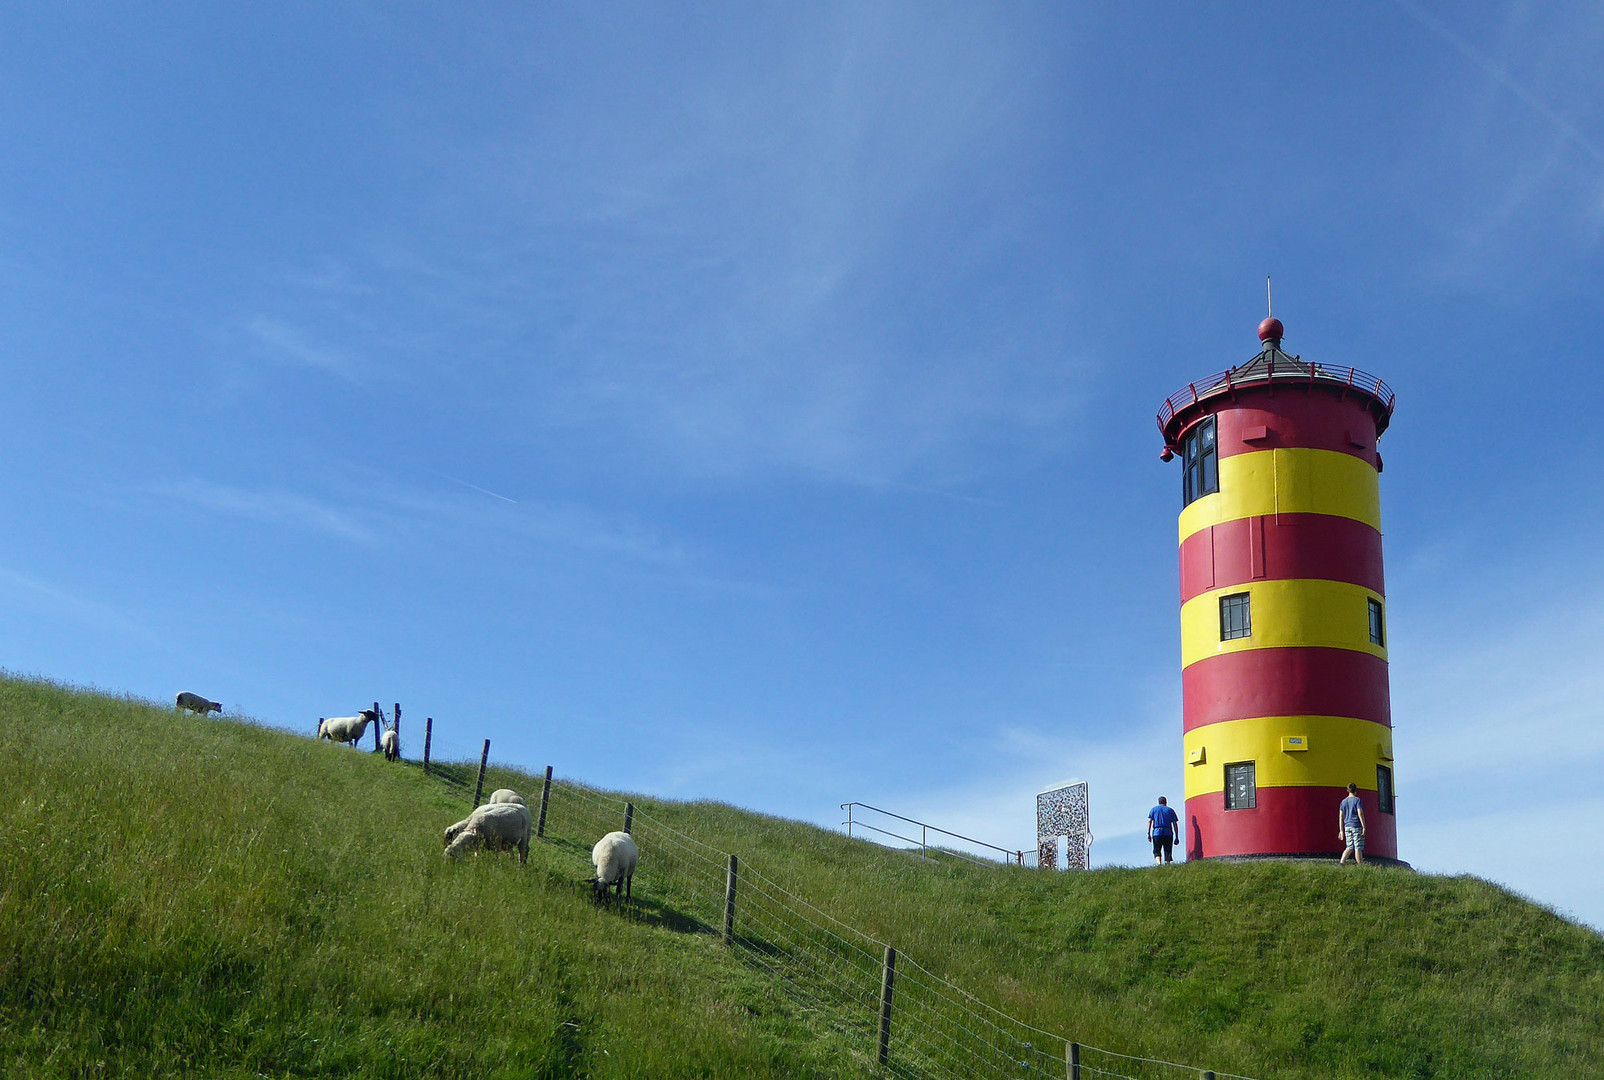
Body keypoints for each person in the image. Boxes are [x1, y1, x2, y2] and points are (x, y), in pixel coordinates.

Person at [1338, 782, 1366, 865]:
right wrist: (1364, 827)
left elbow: (1341, 816)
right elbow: (1360, 813)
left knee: (1349, 847)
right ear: (1356, 791)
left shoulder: (1343, 802)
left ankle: (1342, 863)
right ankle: (1360, 865)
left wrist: (1341, 831)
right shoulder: (1357, 800)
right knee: (1358, 847)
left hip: (1347, 826)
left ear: (1347, 790)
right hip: (1356, 826)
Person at [1147, 796, 1180, 865]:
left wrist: (1148, 833)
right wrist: (1177, 836)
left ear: (1158, 802)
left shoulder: (1153, 809)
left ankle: (1159, 863)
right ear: (1166, 802)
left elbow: (1149, 821)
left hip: (1157, 832)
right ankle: (1167, 863)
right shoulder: (1170, 810)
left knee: (1157, 850)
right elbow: (1175, 824)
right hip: (1168, 832)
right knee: (1168, 850)